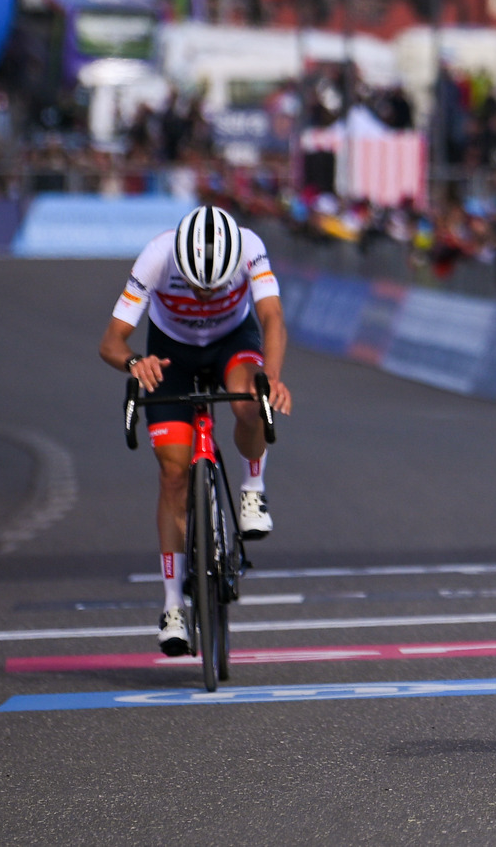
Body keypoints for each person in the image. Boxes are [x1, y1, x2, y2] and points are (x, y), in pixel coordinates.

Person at [99, 205, 293, 655]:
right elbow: (111, 341)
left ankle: (253, 488)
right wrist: (135, 362)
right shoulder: (157, 256)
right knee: (173, 475)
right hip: (172, 353)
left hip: (232, 342)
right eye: (196, 285)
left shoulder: (250, 246)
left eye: (216, 286)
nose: (205, 295)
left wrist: (272, 378)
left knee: (251, 402)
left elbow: (272, 318)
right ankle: (172, 606)